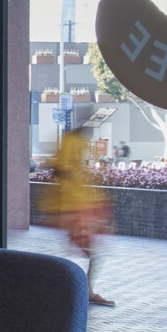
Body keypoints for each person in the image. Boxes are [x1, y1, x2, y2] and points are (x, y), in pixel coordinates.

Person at [44, 116, 115, 307]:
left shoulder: (72, 147)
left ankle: (86, 290)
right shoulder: (70, 148)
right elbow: (62, 172)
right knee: (92, 253)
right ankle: (85, 290)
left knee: (92, 253)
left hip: (78, 209)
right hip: (75, 210)